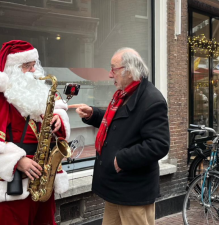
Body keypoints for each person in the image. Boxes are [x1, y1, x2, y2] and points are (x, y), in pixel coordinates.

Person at [0, 40, 70, 225]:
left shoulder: (42, 90)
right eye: (28, 66)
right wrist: (17, 161)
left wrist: (58, 117)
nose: (34, 71)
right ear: (13, 68)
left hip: (45, 174)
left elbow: (57, 114)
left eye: (35, 65)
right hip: (17, 179)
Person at [69, 48, 169, 225]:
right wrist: (93, 114)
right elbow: (118, 125)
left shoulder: (152, 100)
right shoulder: (125, 95)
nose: (109, 74)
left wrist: (121, 159)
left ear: (128, 71)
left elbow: (159, 144)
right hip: (117, 187)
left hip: (133, 191)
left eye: (113, 69)